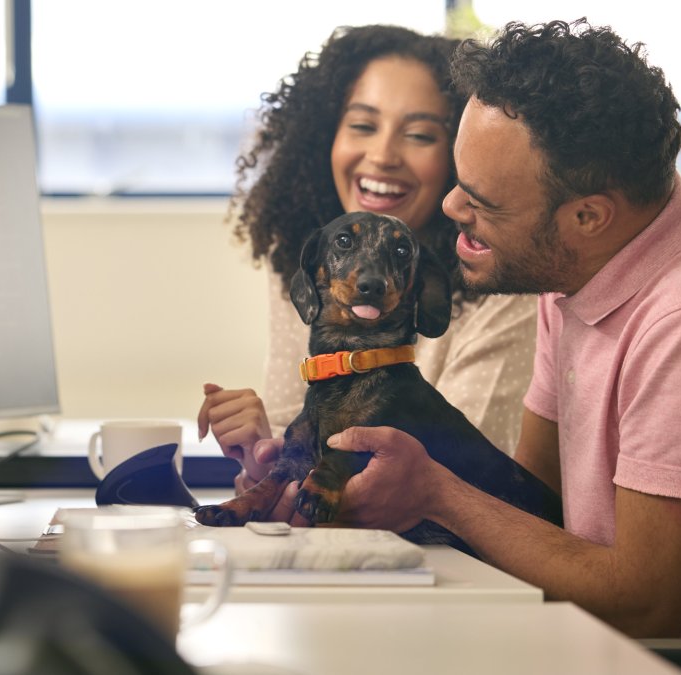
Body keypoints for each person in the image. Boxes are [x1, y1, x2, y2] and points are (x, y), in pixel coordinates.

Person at [313, 19, 681, 639]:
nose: (449, 207)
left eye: (482, 200)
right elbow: (532, 512)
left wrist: (437, 493)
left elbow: (644, 605)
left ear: (587, 216)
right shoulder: (573, 278)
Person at [198, 25, 538, 493]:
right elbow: (296, 457)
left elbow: (452, 483)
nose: (381, 156)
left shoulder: (503, 288)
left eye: (419, 135)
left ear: (460, 157)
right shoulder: (314, 276)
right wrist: (259, 451)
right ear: (325, 140)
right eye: (362, 126)